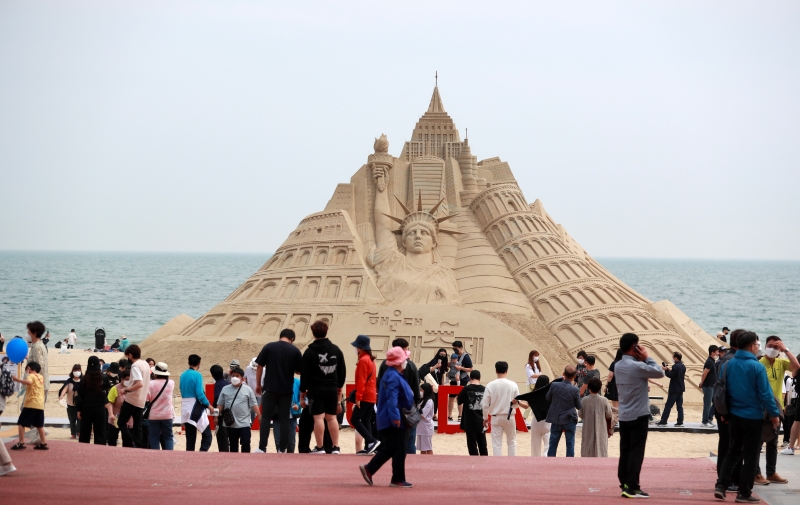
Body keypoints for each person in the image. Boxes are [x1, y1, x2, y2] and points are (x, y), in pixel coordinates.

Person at [715, 331, 782, 502]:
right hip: (752, 416)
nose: (758, 348)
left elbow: (724, 390)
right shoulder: (757, 367)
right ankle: (744, 493)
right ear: (752, 346)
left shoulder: (727, 364)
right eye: (757, 345)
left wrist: (724, 413)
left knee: (732, 451)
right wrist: (774, 414)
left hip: (733, 416)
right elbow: (765, 394)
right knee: (751, 456)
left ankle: (721, 486)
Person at [615, 332, 665, 499]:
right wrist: (647, 357)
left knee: (625, 450)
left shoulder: (618, 365)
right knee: (636, 451)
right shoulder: (637, 366)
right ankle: (632, 487)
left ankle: (625, 483)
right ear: (634, 347)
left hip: (624, 415)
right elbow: (659, 372)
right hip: (639, 415)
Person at [359, 346, 415, 488]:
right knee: (399, 448)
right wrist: (395, 417)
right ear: (398, 362)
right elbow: (392, 399)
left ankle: (371, 469)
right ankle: (395, 478)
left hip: (390, 418)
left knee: (391, 448)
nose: (406, 361)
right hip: (394, 419)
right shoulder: (393, 376)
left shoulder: (392, 374)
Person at [755, 335, 798, 484]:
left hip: (777, 408)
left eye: (776, 347)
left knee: (773, 442)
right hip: (761, 408)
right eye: (770, 346)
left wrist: (785, 349)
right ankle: (756, 474)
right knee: (758, 442)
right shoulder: (760, 364)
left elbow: (796, 366)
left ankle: (771, 473)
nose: (773, 349)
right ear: (765, 346)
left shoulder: (781, 363)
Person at [300, 321, 346, 454]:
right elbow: (342, 370)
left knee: (318, 418)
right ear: (327, 331)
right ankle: (335, 447)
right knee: (331, 418)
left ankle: (320, 447)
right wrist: (339, 386)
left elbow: (305, 374)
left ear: (313, 333)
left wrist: (303, 391)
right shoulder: (336, 350)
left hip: (315, 389)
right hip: (332, 388)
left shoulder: (309, 352)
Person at [255, 328, 303, 453]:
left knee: (265, 417)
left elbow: (259, 366)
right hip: (286, 389)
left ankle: (262, 447)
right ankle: (282, 448)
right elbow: (299, 371)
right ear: (292, 339)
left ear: (280, 336)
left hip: (270, 387)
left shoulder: (269, 347)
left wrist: (258, 384)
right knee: (284, 418)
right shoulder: (295, 350)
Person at [377, 337, 420, 454]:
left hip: (386, 406)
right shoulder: (410, 365)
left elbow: (379, 384)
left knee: (389, 440)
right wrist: (417, 402)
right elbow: (416, 386)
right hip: (406, 407)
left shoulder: (384, 365)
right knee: (409, 440)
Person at [217, 367, 261, 453]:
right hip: (230, 423)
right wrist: (215, 417)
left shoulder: (248, 389)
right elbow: (220, 404)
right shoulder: (225, 389)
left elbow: (254, 404)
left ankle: (245, 462)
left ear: (242, 378)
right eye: (233, 375)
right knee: (233, 445)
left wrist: (259, 415)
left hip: (244, 423)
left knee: (246, 443)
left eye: (237, 376)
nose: (234, 378)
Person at [482, 361, 520, 456]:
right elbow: (517, 401)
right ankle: (511, 463)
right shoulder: (513, 384)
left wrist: (485, 418)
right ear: (507, 371)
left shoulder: (490, 385)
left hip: (496, 416)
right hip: (510, 415)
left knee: (497, 444)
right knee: (511, 441)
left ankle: (497, 465)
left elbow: (485, 404)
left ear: (496, 371)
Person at [116, 344, 150, 448]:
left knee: (121, 422)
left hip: (132, 399)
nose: (128, 358)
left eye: (127, 356)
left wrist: (125, 389)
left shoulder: (135, 366)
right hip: (142, 399)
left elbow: (139, 383)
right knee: (137, 426)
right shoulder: (145, 364)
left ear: (130, 355)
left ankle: (131, 441)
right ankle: (138, 446)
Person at [351, 335, 379, 455]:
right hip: (372, 395)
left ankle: (371, 441)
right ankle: (369, 445)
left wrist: (358, 397)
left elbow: (361, 380)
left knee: (355, 419)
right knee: (366, 420)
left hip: (365, 395)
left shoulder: (363, 360)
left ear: (360, 348)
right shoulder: (371, 360)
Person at [10, 361, 48, 450]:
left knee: (21, 423)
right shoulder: (41, 377)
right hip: (40, 404)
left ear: (29, 368)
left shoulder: (30, 375)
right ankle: (43, 442)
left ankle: (21, 442)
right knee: (39, 424)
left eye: (27, 368)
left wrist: (16, 379)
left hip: (31, 403)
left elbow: (29, 382)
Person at [545, 365, 581, 457]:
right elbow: (578, 406)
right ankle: (569, 465)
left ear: (563, 374)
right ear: (574, 376)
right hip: (569, 418)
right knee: (570, 444)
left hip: (556, 418)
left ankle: (550, 462)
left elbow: (547, 398)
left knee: (553, 443)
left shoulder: (554, 385)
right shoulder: (575, 390)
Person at [179, 354, 213, 451]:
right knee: (207, 435)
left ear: (188, 362)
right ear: (199, 363)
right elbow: (200, 393)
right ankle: (202, 453)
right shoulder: (197, 375)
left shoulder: (182, 374)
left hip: (185, 406)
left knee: (190, 438)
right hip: (195, 406)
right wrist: (208, 405)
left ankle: (190, 458)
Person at [76, 356, 108, 445]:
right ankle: (99, 451)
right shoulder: (103, 378)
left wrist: (79, 409)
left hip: (86, 408)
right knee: (100, 432)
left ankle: (83, 450)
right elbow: (107, 391)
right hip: (100, 407)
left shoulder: (84, 379)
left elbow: (80, 396)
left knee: (85, 431)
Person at [579, 377, 612, 457]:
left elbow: (580, 414)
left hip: (588, 427)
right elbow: (609, 414)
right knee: (601, 447)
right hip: (601, 427)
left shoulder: (584, 400)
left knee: (587, 446)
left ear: (589, 388)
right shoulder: (604, 400)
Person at [457, 370, 487, 456]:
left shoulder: (466, 389)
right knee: (483, 444)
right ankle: (485, 462)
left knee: (472, 445)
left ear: (470, 378)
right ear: (480, 378)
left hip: (469, 421)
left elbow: (459, 401)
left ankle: (474, 463)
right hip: (481, 420)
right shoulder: (484, 389)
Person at [146, 362, 175, 450]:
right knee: (168, 437)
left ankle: (156, 458)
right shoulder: (171, 383)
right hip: (167, 414)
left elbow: (147, 399)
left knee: (154, 437)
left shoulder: (150, 384)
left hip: (153, 415)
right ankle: (169, 456)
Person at [657, 351, 686, 427]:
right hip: (680, 388)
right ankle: (680, 421)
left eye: (673, 357)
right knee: (679, 406)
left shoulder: (675, 366)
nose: (672, 359)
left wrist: (666, 370)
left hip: (674, 389)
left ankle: (663, 421)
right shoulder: (683, 366)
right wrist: (669, 369)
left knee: (668, 405)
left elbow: (671, 375)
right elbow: (676, 374)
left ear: (676, 358)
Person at [274, 376, 302, 453]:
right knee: (278, 441)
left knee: (291, 442)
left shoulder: (297, 382)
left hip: (291, 416)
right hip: (277, 415)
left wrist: (298, 405)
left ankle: (290, 461)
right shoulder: (275, 381)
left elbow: (303, 397)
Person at [25, 321, 49, 400]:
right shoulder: (39, 345)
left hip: (37, 387)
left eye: (29, 331)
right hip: (40, 385)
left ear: (34, 333)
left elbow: (38, 368)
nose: (27, 334)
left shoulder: (37, 348)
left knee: (29, 410)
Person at [106, 370, 129, 446]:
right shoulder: (115, 388)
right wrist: (111, 414)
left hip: (128, 419)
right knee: (112, 439)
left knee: (127, 440)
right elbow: (110, 402)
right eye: (127, 379)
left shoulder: (133, 389)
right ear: (122, 379)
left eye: (130, 379)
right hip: (115, 418)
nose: (128, 381)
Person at [210, 364, 230, 452]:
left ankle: (224, 454)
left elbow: (218, 401)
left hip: (221, 414)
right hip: (230, 412)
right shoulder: (227, 382)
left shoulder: (217, 385)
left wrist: (215, 416)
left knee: (222, 437)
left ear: (212, 375)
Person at [451, 340, 473, 422]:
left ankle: (460, 415)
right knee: (451, 397)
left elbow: (471, 369)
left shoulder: (466, 356)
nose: (455, 351)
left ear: (460, 348)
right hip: (453, 378)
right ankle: (449, 415)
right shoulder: (454, 356)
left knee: (460, 397)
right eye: (453, 349)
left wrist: (461, 368)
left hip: (463, 379)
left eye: (456, 349)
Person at [59, 363, 82, 439]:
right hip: (70, 404)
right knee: (72, 420)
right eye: (75, 370)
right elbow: (65, 389)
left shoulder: (83, 381)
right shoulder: (69, 381)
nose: (77, 372)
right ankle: (73, 434)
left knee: (80, 420)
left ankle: (79, 433)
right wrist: (62, 395)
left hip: (80, 405)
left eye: (78, 370)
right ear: (72, 371)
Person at [700, 345, 720, 427]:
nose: (718, 353)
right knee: (707, 404)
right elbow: (704, 374)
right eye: (717, 352)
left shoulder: (712, 361)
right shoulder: (709, 362)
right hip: (708, 386)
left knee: (712, 403)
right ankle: (704, 422)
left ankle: (708, 419)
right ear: (712, 353)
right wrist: (701, 383)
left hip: (711, 386)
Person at [522, 350, 541, 420]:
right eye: (535, 355)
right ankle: (524, 418)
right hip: (531, 385)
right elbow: (532, 375)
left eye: (537, 356)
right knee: (530, 403)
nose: (536, 357)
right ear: (531, 356)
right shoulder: (528, 365)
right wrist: (540, 376)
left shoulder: (537, 365)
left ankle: (532, 417)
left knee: (536, 402)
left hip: (537, 385)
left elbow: (539, 374)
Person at [417, 383, 435, 454]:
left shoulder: (429, 401)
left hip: (426, 428)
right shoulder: (422, 400)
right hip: (421, 428)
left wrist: (416, 407)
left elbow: (423, 414)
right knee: (422, 448)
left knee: (428, 448)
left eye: (421, 390)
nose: (420, 392)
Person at [781, 370, 796, 450]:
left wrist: (786, 405)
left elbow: (787, 393)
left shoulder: (787, 379)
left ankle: (786, 440)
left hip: (785, 403)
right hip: (780, 403)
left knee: (787, 423)